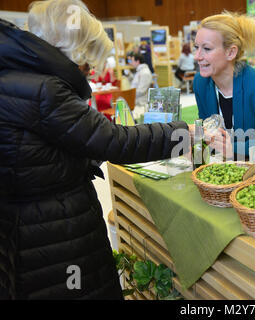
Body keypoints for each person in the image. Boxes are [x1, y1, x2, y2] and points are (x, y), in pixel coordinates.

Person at [0, 0, 189, 300]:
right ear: (74, 51)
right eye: (88, 60)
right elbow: (116, 141)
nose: (89, 70)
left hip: (31, 231)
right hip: (57, 234)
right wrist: (184, 134)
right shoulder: (45, 90)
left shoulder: (17, 77)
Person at [193, 11, 255, 160]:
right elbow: (206, 129)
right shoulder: (200, 83)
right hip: (218, 167)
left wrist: (233, 149)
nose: (197, 56)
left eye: (207, 48)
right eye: (196, 47)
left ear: (231, 52)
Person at [130, 52, 153, 117]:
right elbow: (135, 84)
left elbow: (141, 91)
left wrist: (129, 95)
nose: (131, 63)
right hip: (135, 101)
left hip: (140, 105)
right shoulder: (140, 71)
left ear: (137, 61)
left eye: (132, 61)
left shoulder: (145, 73)